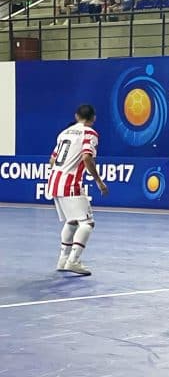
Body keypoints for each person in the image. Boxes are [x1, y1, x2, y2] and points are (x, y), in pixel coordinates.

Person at [47, 104, 108, 276]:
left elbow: (52, 161)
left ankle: (62, 259)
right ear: (93, 118)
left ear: (76, 116)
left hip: (54, 182)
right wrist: (99, 181)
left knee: (72, 221)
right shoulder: (89, 133)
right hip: (70, 183)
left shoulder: (63, 133)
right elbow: (87, 157)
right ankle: (73, 261)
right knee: (87, 223)